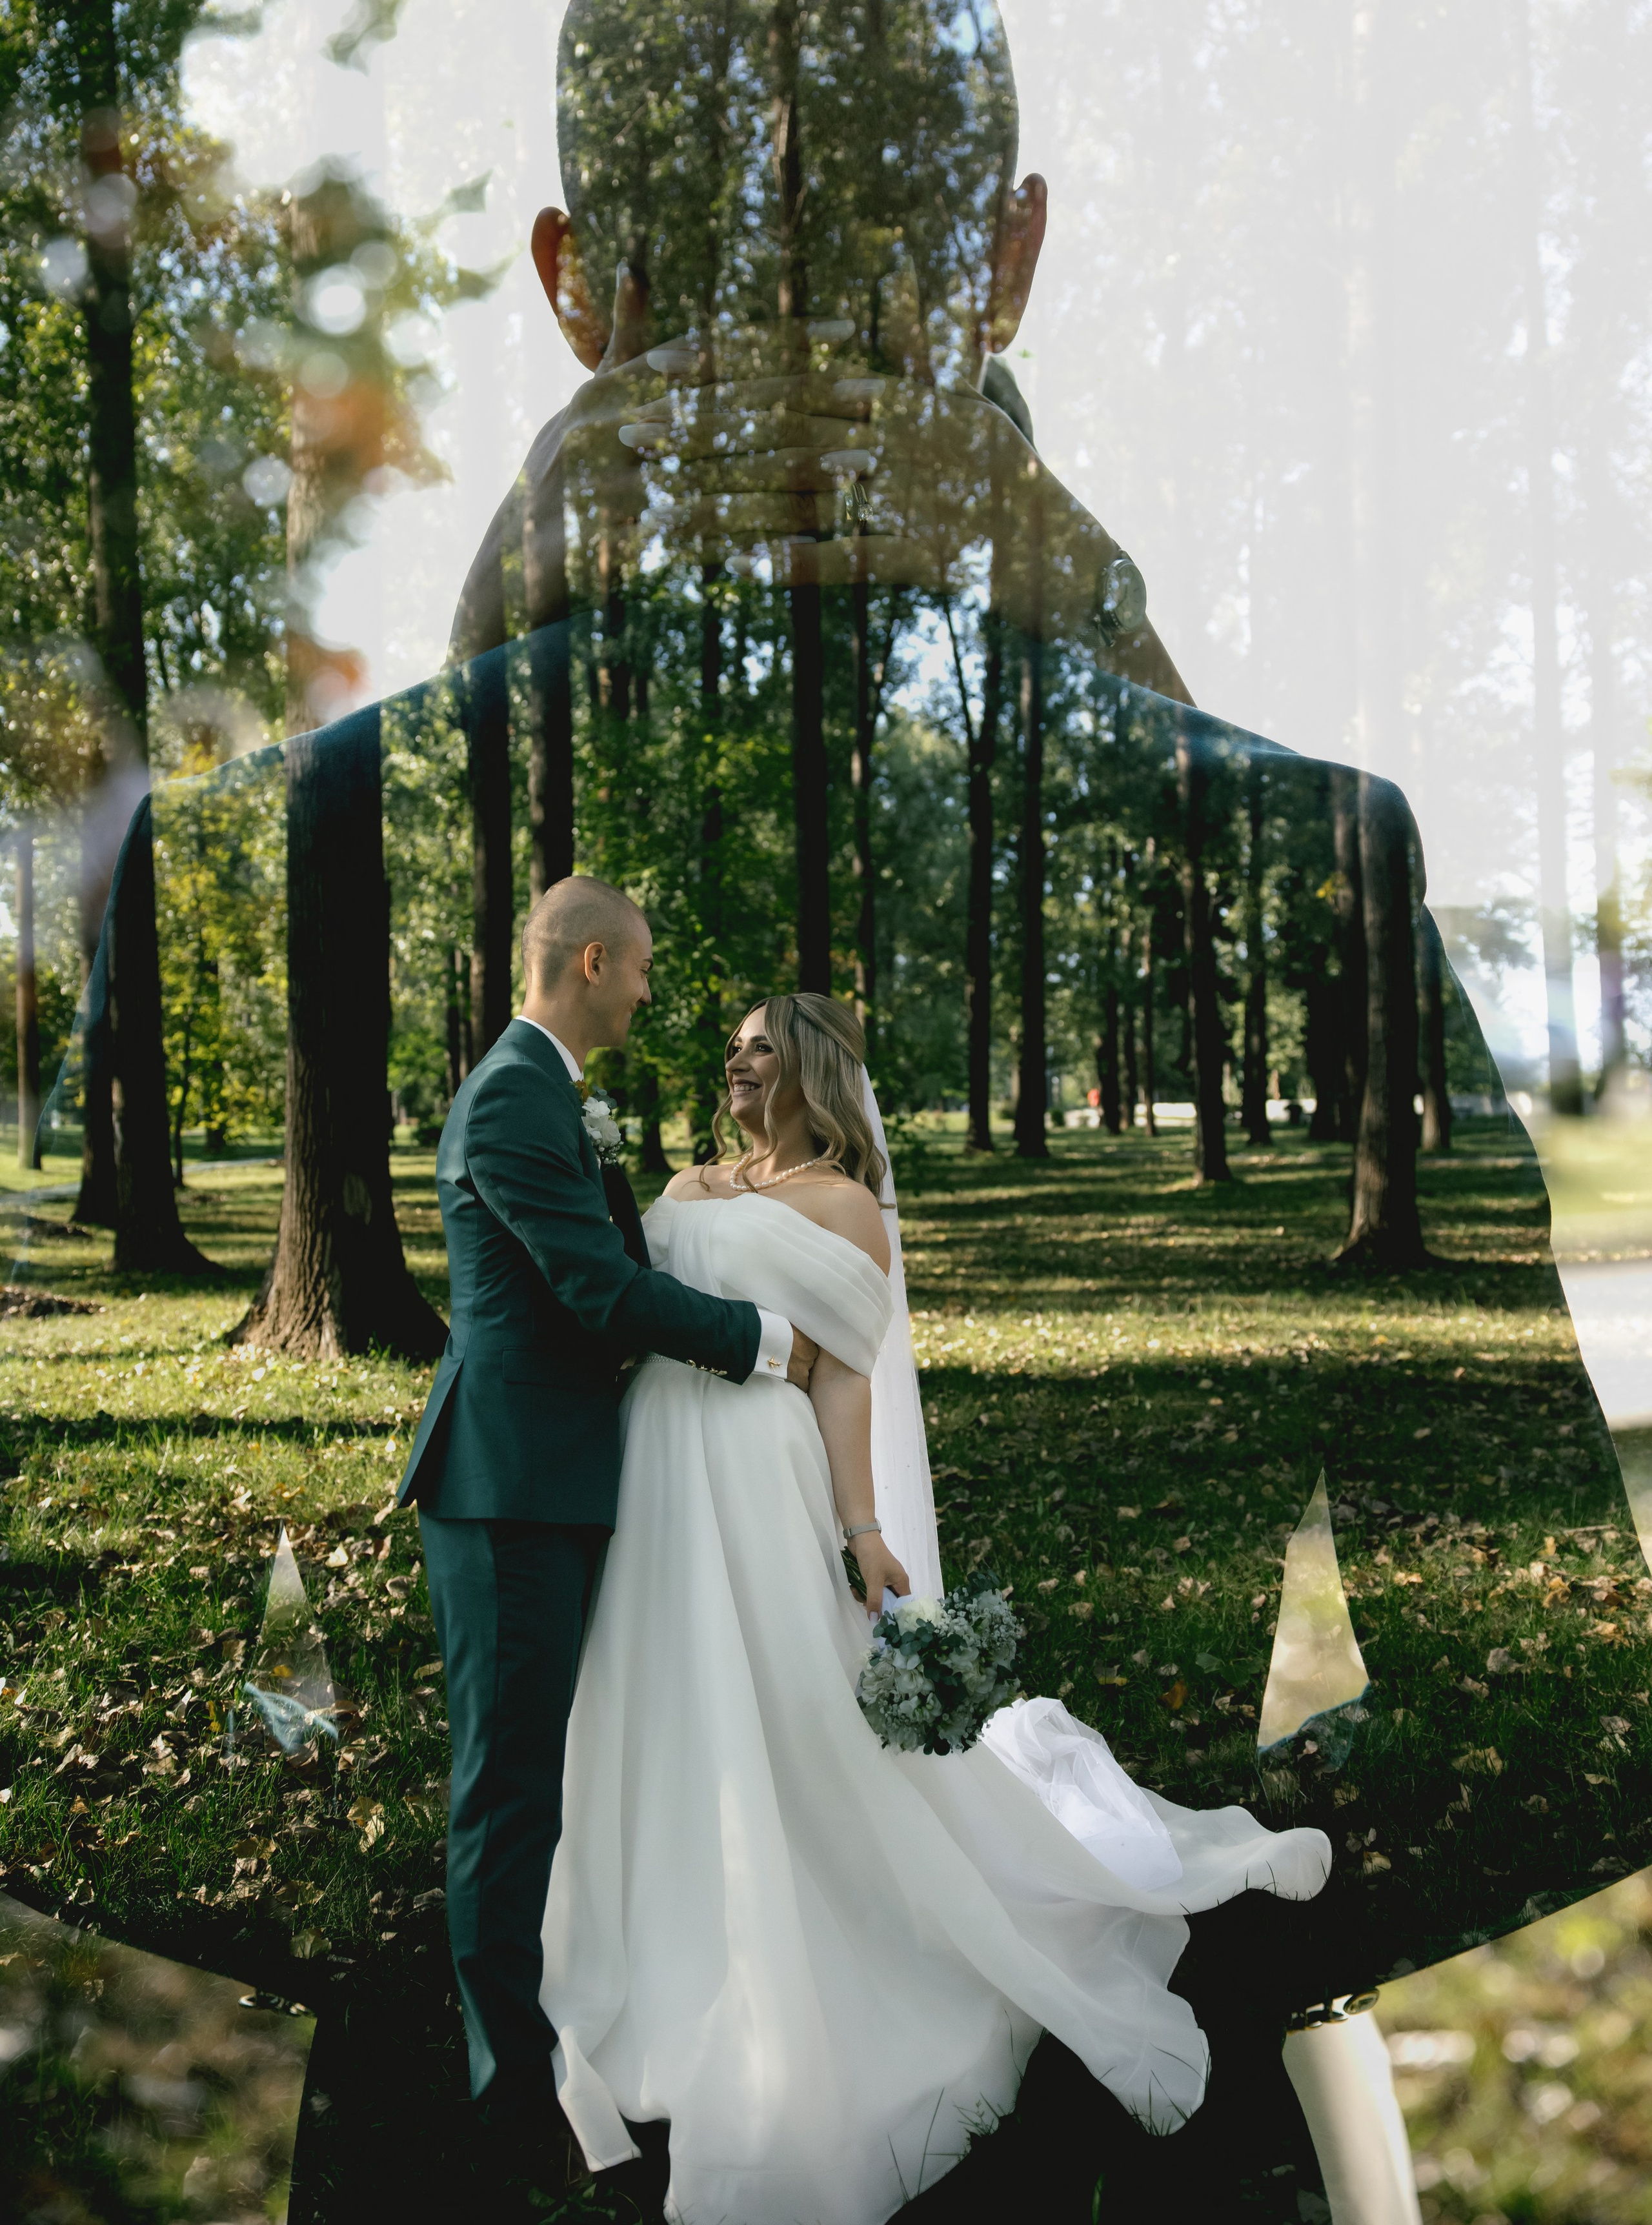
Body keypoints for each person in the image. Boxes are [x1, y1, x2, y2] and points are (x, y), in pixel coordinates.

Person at [540, 991, 1332, 2225]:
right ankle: (659, 1937)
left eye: (761, 1048)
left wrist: (863, 1534)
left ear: (808, 1070)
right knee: (659, 1705)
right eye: (734, 1049)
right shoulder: (687, 1185)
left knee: (794, 1721)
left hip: (759, 1481)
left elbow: (848, 1378)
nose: (737, 1064)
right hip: (652, 1476)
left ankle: (836, 1942)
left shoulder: (848, 1209)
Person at [394, 873, 820, 2179]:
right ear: (588, 963)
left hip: (549, 1473)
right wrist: (764, 1345)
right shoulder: (516, 1101)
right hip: (508, 1487)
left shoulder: (537, 1092)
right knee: (509, 1785)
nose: (648, 990)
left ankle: (527, 2031)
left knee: (531, 1773)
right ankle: (503, 2083)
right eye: (637, 969)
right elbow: (594, 1289)